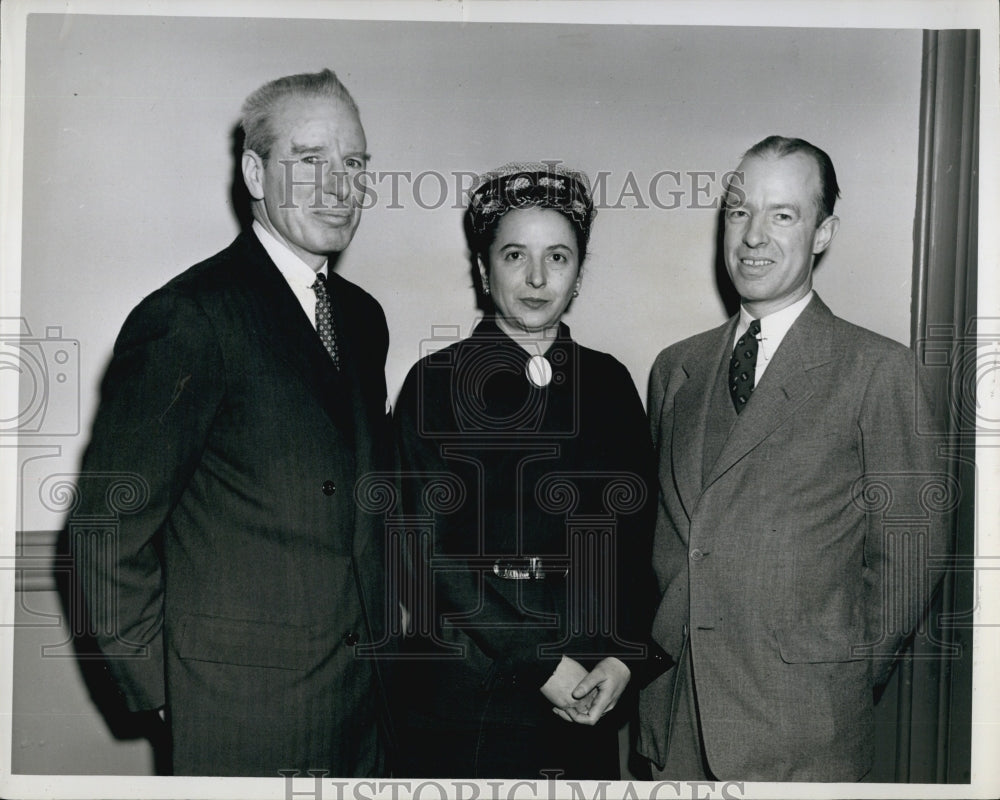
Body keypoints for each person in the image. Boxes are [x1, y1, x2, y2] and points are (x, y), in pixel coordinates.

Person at [69, 69, 393, 776]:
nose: (338, 187)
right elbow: (105, 527)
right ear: (254, 171)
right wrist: (164, 693)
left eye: (354, 164)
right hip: (238, 715)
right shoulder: (189, 317)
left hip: (361, 706)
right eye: (309, 161)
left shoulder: (363, 319)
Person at [637, 136, 952, 781]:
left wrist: (835, 679)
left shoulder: (878, 370)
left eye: (782, 214)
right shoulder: (676, 368)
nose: (753, 236)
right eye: (738, 211)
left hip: (805, 737)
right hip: (674, 728)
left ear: (823, 232)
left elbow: (909, 557)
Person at [392, 163, 659, 779]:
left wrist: (621, 660)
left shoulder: (610, 384)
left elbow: (640, 546)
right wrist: (542, 663)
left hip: (585, 707)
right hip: (465, 705)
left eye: (558, 257)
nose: (538, 278)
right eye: (515, 255)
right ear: (484, 270)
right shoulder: (434, 385)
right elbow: (428, 557)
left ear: (579, 272)